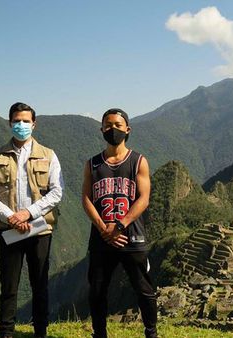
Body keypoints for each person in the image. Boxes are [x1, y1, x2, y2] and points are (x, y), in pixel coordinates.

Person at [0, 102, 63, 338]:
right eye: (17, 121)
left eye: (26, 121)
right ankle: (7, 332)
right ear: (9, 123)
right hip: (9, 229)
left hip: (40, 229)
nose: (21, 125)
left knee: (40, 284)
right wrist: (12, 217)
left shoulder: (49, 155)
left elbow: (57, 192)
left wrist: (28, 214)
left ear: (34, 124)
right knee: (9, 285)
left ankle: (40, 331)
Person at [81, 108, 157, 338]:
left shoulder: (138, 161)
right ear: (102, 129)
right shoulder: (92, 164)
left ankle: (151, 333)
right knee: (97, 290)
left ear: (127, 129)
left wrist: (120, 225)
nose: (112, 129)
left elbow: (144, 198)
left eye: (117, 125)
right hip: (101, 237)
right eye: (108, 125)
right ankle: (99, 333)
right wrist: (104, 228)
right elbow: (86, 198)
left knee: (144, 289)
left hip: (131, 236)